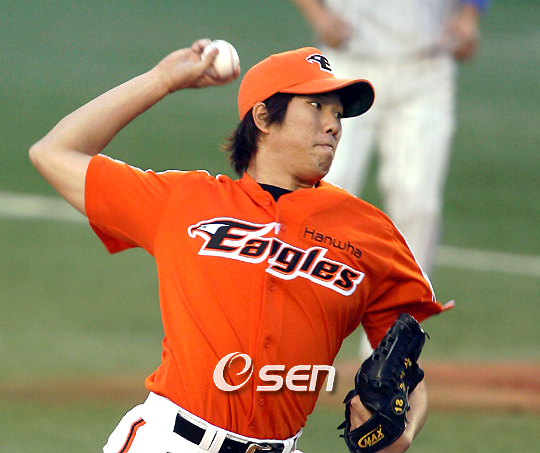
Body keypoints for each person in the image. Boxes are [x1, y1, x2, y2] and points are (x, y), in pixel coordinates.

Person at [29, 40, 450, 453]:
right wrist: (162, 81)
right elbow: (53, 152)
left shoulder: (370, 234)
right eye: (316, 106)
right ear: (264, 117)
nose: (334, 125)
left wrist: (405, 431)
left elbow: (404, 372)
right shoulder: (185, 202)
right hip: (170, 442)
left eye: (338, 113)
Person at [290, 0, 488, 276]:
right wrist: (317, 14)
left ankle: (413, 299)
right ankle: (307, 292)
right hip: (347, 63)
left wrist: (468, 16)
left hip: (425, 68)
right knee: (325, 188)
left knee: (417, 203)